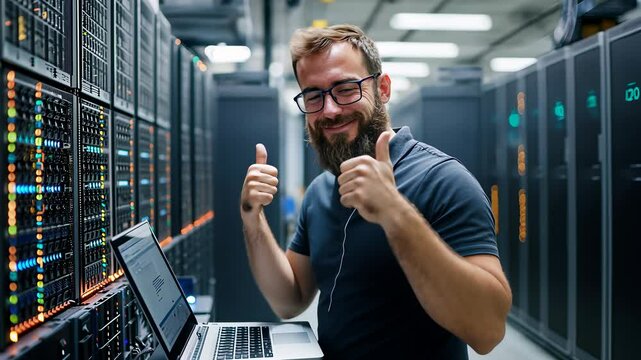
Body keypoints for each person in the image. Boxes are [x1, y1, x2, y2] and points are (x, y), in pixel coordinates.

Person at [240, 24, 512, 359]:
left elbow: (488, 331)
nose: (330, 110)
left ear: (382, 88)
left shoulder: (443, 181)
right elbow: (290, 299)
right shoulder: (321, 191)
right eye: (314, 96)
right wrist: (253, 219)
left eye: (345, 89)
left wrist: (395, 213)